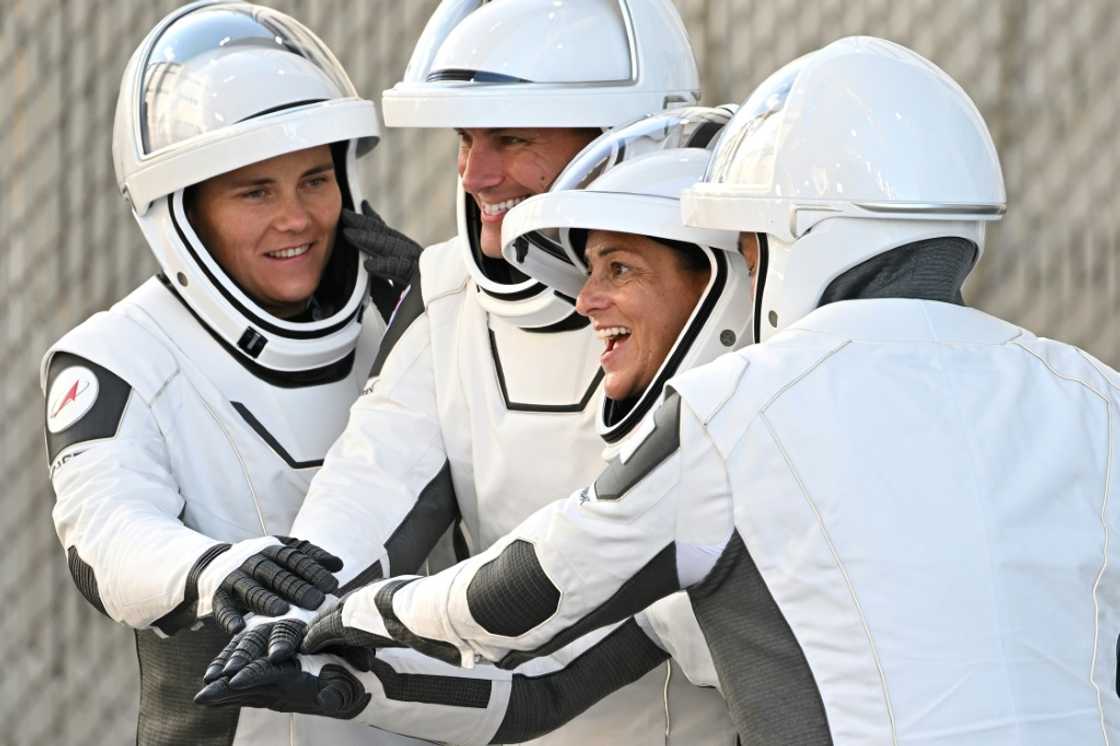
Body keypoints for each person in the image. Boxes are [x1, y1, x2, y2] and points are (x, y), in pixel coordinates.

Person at [258, 36, 1120, 745]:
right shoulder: (1093, 396)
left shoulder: (741, 411)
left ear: (791, 235)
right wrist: (346, 693)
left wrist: (353, 614)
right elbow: (540, 698)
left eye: (747, 243)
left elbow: (525, 593)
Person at [200, 2, 738, 744]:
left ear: (622, 136)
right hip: (511, 704)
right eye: (465, 138)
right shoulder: (449, 289)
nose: (474, 173)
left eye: (511, 139)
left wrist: (371, 616)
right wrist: (290, 611)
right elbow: (375, 478)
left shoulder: (723, 288)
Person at [41, 2, 424, 744]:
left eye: (315, 179)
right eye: (256, 191)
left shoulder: (406, 319)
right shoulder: (115, 356)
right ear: (184, 213)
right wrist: (215, 571)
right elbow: (106, 537)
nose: (298, 218)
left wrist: (453, 330)